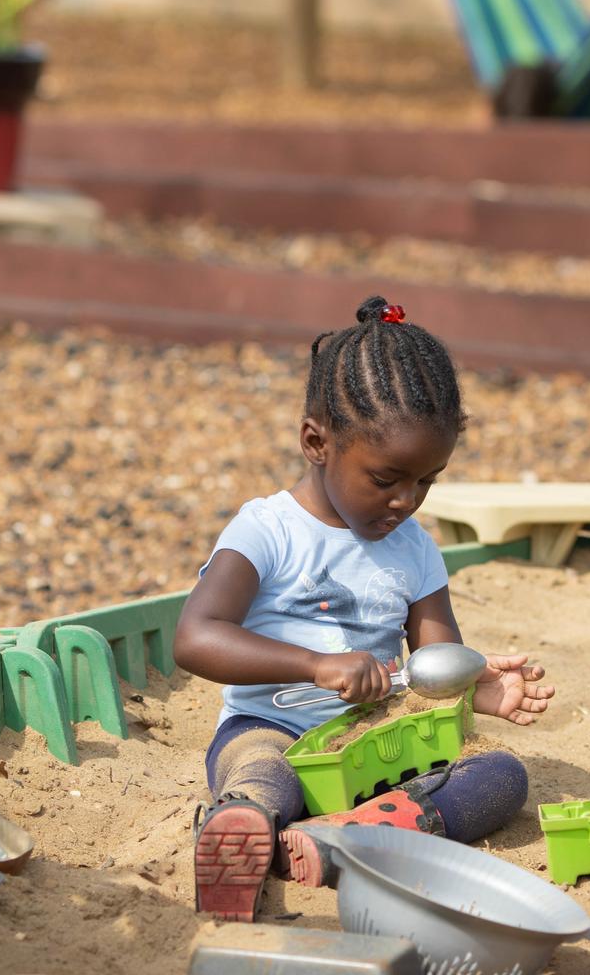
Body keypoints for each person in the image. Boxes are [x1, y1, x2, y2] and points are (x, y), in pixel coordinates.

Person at [173, 295, 554, 922]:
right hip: (275, 731)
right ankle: (246, 822)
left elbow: (429, 664)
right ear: (316, 442)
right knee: (263, 770)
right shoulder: (266, 530)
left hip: (381, 746)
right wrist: (317, 665)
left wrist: (473, 687)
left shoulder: (417, 552)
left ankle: (342, 840)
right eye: (386, 479)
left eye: (427, 481)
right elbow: (196, 637)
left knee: (500, 777)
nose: (407, 500)